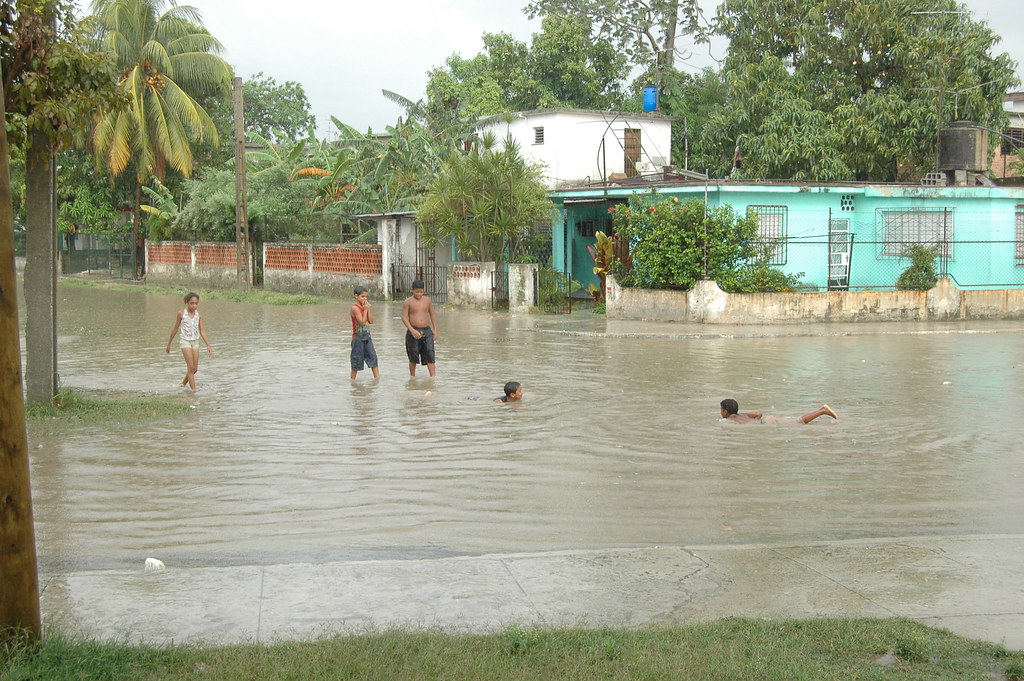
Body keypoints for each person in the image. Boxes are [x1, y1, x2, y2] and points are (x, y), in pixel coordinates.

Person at [165, 292, 212, 390]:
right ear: (186, 303)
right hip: (185, 341)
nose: (194, 306)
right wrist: (169, 344)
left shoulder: (198, 315)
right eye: (192, 303)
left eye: (196, 303)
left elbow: (202, 330)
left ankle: (183, 383)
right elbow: (175, 329)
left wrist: (208, 345)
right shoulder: (181, 314)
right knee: (190, 367)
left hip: (195, 341)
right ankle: (193, 392)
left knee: (194, 369)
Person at [401, 279, 439, 377]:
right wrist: (412, 330)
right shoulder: (408, 302)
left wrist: (435, 330)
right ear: (412, 290)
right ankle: (412, 377)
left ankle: (433, 378)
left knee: (430, 353)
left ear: (424, 291)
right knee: (413, 356)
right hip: (413, 330)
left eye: (421, 292)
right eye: (417, 292)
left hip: (427, 330)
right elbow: (404, 318)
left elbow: (432, 314)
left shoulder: (427, 300)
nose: (419, 294)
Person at [719, 398, 836, 424]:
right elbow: (759, 414)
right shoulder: (742, 414)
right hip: (767, 419)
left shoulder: (732, 419)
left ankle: (822, 411)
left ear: (725, 411)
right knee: (796, 421)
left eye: (721, 409)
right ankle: (821, 410)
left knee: (798, 423)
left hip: (766, 423)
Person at [350, 286, 380, 380]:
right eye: (362, 296)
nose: (365, 299)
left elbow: (371, 321)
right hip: (358, 339)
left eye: (366, 297)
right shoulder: (355, 308)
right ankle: (352, 381)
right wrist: (366, 310)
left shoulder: (364, 307)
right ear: (356, 296)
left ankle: (377, 380)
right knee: (356, 362)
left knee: (373, 359)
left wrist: (368, 309)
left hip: (367, 338)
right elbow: (362, 323)